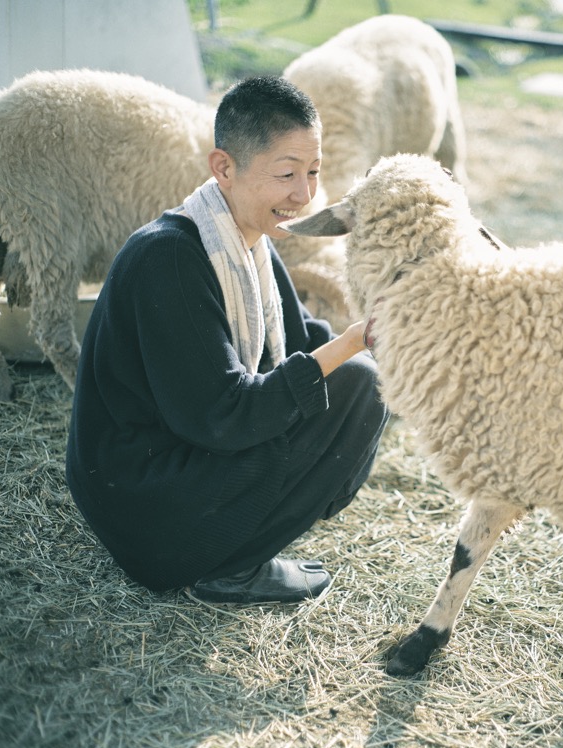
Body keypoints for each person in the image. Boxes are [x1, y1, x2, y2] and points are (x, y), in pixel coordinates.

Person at [66, 76, 388, 604]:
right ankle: (229, 567)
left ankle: (240, 537)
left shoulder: (249, 244)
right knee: (352, 376)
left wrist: (383, 331)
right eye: (286, 173)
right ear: (224, 168)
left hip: (177, 461)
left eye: (313, 171)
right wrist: (354, 343)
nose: (304, 195)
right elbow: (223, 416)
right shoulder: (168, 259)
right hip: (142, 507)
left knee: (360, 383)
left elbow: (303, 339)